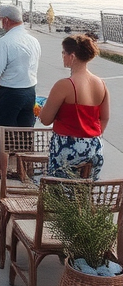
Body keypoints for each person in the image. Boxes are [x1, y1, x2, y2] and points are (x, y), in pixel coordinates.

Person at [39, 35, 109, 180]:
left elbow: (45, 119)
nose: (62, 56)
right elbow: (105, 117)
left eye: (64, 53)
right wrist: (88, 135)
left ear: (72, 56)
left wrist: (41, 109)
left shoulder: (64, 85)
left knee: (61, 192)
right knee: (84, 192)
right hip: (94, 145)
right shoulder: (100, 83)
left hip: (69, 146)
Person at [0, 4, 41, 179]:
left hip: (10, 91)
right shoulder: (34, 40)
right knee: (25, 129)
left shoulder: (6, 41)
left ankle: (3, 170)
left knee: (3, 130)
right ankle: (22, 170)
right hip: (30, 90)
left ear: (6, 20)